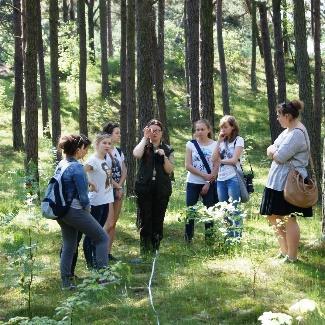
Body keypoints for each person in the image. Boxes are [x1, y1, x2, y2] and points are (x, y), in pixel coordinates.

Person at [260, 100, 312, 263]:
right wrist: (273, 151)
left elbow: (279, 156)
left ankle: (292, 256)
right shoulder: (288, 130)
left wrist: (274, 151)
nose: (277, 118)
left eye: (279, 115)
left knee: (289, 217)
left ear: (288, 116)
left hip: (290, 183)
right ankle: (284, 251)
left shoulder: (297, 133)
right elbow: (272, 148)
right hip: (277, 181)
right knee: (272, 215)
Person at [57, 134, 109, 289]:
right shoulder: (77, 168)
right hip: (75, 211)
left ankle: (66, 282)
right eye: (84, 148)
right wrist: (87, 212)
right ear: (78, 149)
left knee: (69, 244)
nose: (86, 152)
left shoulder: (61, 163)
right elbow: (83, 198)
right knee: (102, 238)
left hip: (61, 210)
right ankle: (103, 278)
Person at [133, 119, 174, 254]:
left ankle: (155, 249)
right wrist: (144, 138)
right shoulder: (144, 146)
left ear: (162, 133)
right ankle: (144, 250)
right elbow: (136, 154)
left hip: (161, 190)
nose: (154, 133)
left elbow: (169, 170)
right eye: (151, 130)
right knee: (146, 218)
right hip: (145, 189)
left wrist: (164, 157)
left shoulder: (167, 149)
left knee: (158, 219)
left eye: (157, 131)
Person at [83, 133, 115, 267]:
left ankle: (96, 258)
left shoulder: (104, 160)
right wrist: (90, 183)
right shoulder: (93, 160)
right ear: (97, 145)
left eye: (109, 143)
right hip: (95, 201)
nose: (107, 145)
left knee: (99, 231)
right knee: (93, 233)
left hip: (105, 200)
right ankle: (91, 262)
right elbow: (80, 172)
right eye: (104, 143)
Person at [184, 119, 218, 243]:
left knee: (209, 211)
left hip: (209, 184)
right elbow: (188, 165)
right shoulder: (190, 144)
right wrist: (204, 175)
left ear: (208, 130)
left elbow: (216, 166)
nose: (200, 132)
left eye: (202, 129)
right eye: (197, 129)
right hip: (192, 182)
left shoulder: (215, 145)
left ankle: (209, 239)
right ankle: (188, 239)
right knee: (190, 211)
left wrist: (208, 182)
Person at [212, 115, 244, 238]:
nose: (223, 130)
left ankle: (237, 237)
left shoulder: (238, 140)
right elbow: (213, 159)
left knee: (234, 207)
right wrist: (218, 142)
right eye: (221, 127)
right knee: (224, 208)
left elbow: (234, 160)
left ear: (232, 127)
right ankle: (228, 237)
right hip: (220, 179)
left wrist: (220, 161)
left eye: (225, 127)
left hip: (233, 178)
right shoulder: (221, 142)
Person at [102, 123, 127, 261]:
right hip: (106, 191)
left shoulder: (119, 151)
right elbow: (105, 174)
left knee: (114, 223)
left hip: (118, 190)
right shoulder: (103, 152)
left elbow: (124, 170)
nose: (119, 135)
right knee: (108, 222)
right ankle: (97, 251)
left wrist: (120, 186)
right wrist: (117, 187)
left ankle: (108, 253)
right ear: (109, 134)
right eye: (117, 133)